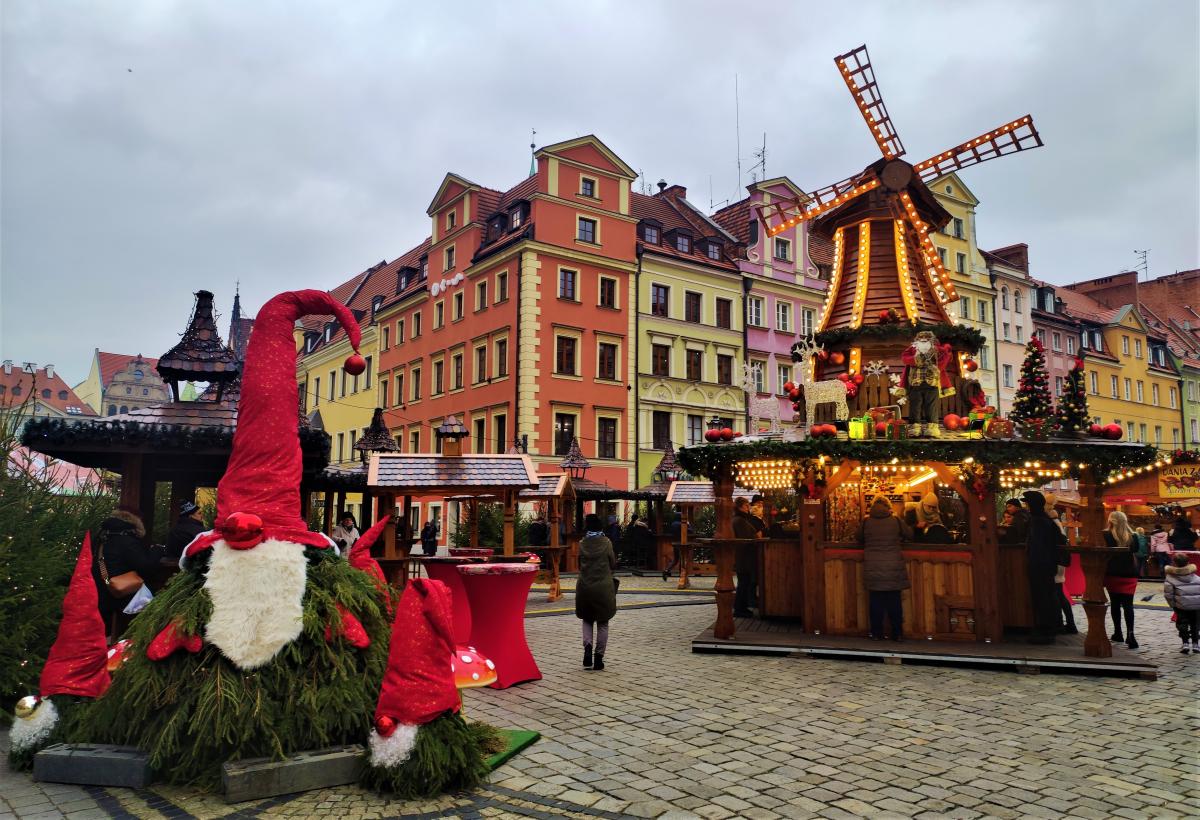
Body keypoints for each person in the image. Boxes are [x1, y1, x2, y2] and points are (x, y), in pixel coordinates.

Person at [90, 510, 164, 637]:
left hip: (102, 594)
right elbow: (146, 567)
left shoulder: (102, 539)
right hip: (125, 598)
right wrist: (157, 550)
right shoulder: (127, 541)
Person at [857, 495, 912, 641]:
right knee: (895, 602)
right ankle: (898, 633)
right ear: (888, 506)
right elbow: (909, 534)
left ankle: (876, 633)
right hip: (893, 566)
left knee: (876, 602)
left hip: (873, 567)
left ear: (872, 506)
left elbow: (858, 538)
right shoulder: (896, 520)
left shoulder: (866, 521)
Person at [1023, 491, 1066, 644]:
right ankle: (1048, 629)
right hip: (1047, 565)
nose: (1026, 506)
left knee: (1042, 598)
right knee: (1047, 596)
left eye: (1027, 503)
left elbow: (1038, 547)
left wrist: (1032, 562)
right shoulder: (1044, 519)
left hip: (1040, 565)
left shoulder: (1038, 522)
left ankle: (1045, 631)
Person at [576, 513, 617, 671]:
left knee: (587, 619)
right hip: (603, 588)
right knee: (603, 622)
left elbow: (579, 564)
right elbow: (612, 562)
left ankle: (587, 649)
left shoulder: (581, 543)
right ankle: (598, 658)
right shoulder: (606, 542)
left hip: (585, 587)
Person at [1103, 510, 1140, 649]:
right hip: (1130, 574)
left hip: (1113, 573)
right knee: (1128, 605)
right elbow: (1135, 551)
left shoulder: (1105, 535)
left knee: (1115, 604)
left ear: (1111, 521)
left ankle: (1117, 632)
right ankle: (1131, 635)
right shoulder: (1133, 536)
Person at [1163, 553, 1200, 654]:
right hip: (1196, 606)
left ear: (1174, 563)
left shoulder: (1170, 577)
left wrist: (1173, 605)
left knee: (1182, 624)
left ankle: (1185, 644)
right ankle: (1196, 644)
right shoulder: (1195, 576)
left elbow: (1168, 594)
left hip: (1181, 606)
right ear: (1188, 563)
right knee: (1195, 624)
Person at [733, 497, 761, 617]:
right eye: (746, 505)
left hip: (743, 556)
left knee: (744, 582)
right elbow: (746, 539)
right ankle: (740, 609)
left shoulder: (740, 519)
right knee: (744, 582)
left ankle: (741, 608)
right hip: (744, 556)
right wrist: (757, 537)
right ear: (740, 506)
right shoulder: (739, 520)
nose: (748, 507)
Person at [662, 513, 683, 581]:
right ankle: (681, 574)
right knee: (682, 559)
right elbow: (690, 530)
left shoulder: (673, 524)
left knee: (675, 559)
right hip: (681, 543)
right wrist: (688, 524)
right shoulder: (681, 524)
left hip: (675, 542)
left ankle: (667, 570)